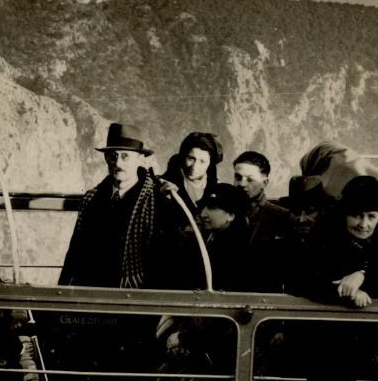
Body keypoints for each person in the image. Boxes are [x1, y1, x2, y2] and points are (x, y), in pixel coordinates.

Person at [58, 122, 201, 289]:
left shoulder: (157, 198)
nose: (118, 163)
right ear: (106, 158)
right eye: (113, 156)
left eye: (125, 156)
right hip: (90, 292)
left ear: (139, 159)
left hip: (136, 296)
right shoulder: (91, 199)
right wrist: (62, 291)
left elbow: (171, 257)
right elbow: (75, 252)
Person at [302, 175, 378, 308]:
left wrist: (361, 276)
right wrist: (351, 292)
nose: (363, 224)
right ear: (344, 214)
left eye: (371, 216)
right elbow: (308, 282)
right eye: (356, 215)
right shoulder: (323, 236)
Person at [231, 150, 292, 291]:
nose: (241, 184)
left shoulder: (282, 218)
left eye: (249, 179)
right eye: (238, 177)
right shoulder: (223, 214)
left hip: (267, 298)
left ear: (264, 183)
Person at [198, 182, 256, 291]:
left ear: (231, 215)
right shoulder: (211, 235)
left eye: (211, 208)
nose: (203, 214)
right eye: (204, 207)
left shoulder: (238, 248)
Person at [161, 132, 223, 210]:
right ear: (184, 157)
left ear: (210, 164)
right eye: (191, 158)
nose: (194, 167)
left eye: (202, 161)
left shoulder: (216, 189)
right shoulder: (165, 184)